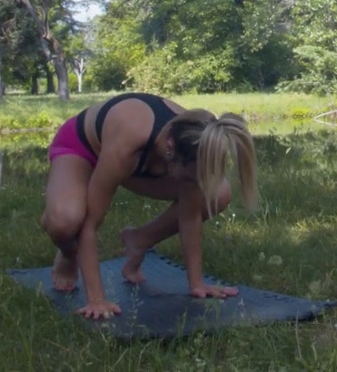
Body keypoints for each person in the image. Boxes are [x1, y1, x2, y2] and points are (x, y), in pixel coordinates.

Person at [41, 92, 258, 319]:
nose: (191, 183)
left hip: (139, 159)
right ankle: (67, 254)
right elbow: (90, 223)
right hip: (81, 147)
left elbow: (190, 215)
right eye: (187, 177)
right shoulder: (130, 139)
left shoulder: (195, 142)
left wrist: (197, 283)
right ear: (170, 148)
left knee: (219, 194)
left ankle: (139, 239)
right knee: (66, 221)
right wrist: (97, 300)